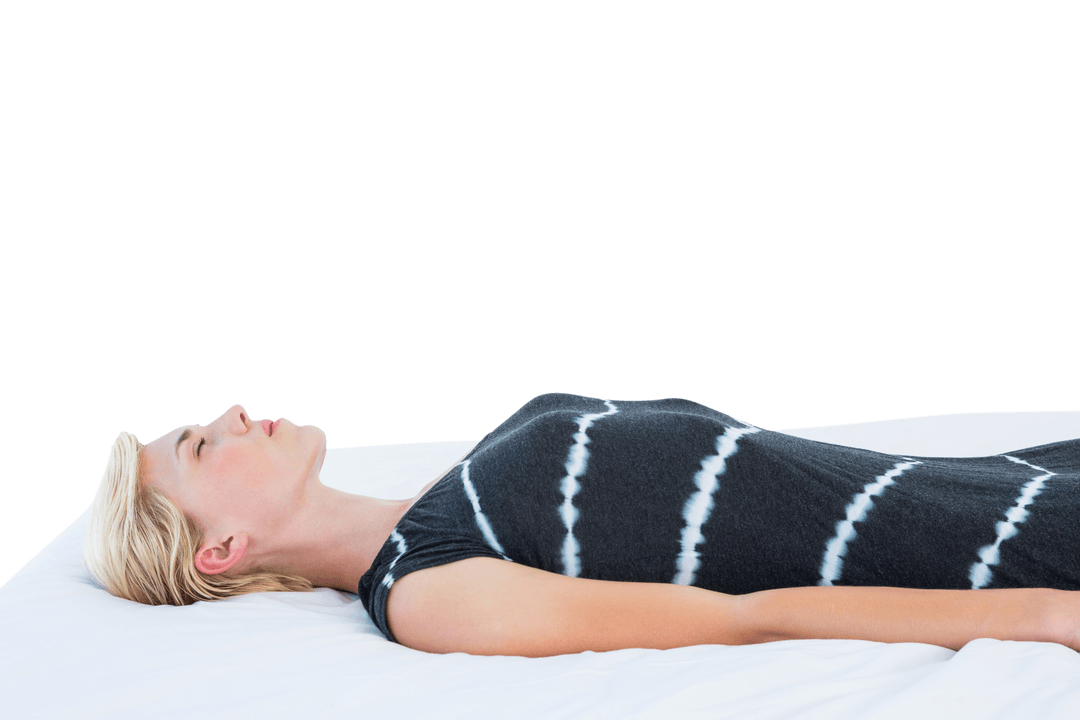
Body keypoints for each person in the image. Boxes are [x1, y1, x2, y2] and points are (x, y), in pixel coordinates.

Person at [84, 393, 1080, 658]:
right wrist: (1041, 618)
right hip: (998, 546)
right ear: (222, 552)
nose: (231, 416)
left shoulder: (441, 497)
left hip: (977, 486)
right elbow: (746, 621)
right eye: (201, 448)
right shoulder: (424, 590)